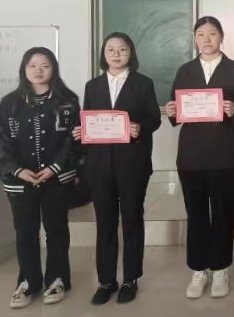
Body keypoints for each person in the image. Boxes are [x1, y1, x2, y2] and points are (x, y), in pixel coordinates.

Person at [165, 16, 234, 300]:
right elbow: (175, 109)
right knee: (196, 214)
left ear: (221, 37)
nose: (206, 39)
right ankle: (198, 269)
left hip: (224, 154)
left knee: (223, 212)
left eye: (212, 34)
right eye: (201, 34)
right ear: (194, 39)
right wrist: (171, 111)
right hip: (191, 156)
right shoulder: (185, 70)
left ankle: (220, 269)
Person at [73, 32, 161, 305]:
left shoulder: (143, 83)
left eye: (122, 49)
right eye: (110, 49)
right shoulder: (93, 86)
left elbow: (155, 119)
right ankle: (106, 281)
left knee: (132, 219)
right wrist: (81, 133)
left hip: (133, 163)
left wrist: (140, 128)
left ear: (130, 53)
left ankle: (130, 279)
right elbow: (89, 121)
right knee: (105, 222)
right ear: (104, 54)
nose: (116, 54)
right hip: (99, 165)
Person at [0, 47, 80, 308]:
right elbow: (2, 141)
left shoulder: (67, 100)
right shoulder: (9, 103)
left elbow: (73, 139)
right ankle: (27, 282)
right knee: (25, 232)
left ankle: (57, 279)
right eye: (32, 65)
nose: (38, 70)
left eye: (45, 65)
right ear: (24, 69)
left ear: (53, 69)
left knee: (56, 230)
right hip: (20, 180)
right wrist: (18, 170)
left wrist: (55, 167)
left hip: (56, 178)